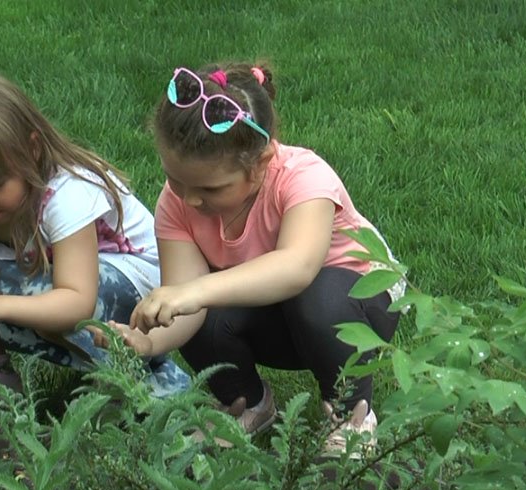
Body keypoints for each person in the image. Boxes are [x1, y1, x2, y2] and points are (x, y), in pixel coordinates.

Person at [98, 62, 404, 451]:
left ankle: (351, 414)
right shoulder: (178, 202)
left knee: (315, 296)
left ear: (260, 164)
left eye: (210, 188)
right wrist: (149, 342)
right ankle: (247, 403)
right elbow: (185, 303)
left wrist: (196, 292)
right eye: (175, 179)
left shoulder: (303, 177)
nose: (189, 198)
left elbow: (297, 268)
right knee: (198, 308)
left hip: (358, 308)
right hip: (278, 314)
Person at [0, 73, 190, 399]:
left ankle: (156, 387)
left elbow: (76, 302)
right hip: (55, 270)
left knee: (46, 298)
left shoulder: (68, 193)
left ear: (32, 150)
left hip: (134, 284)